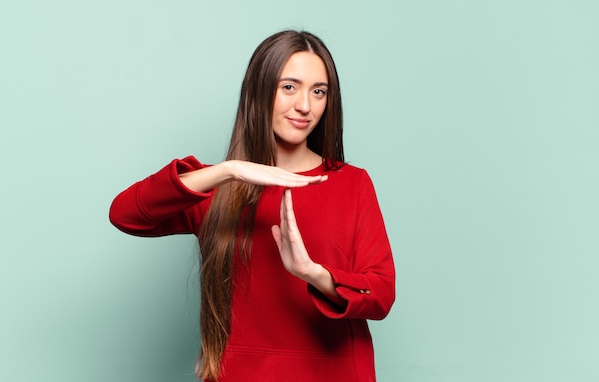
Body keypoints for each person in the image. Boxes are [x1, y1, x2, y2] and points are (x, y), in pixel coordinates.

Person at [109, 30, 395, 382]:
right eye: (289, 87)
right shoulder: (219, 189)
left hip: (336, 371)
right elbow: (125, 215)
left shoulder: (352, 183)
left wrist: (313, 273)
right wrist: (227, 171)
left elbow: (380, 294)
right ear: (259, 92)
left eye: (318, 91)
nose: (305, 105)